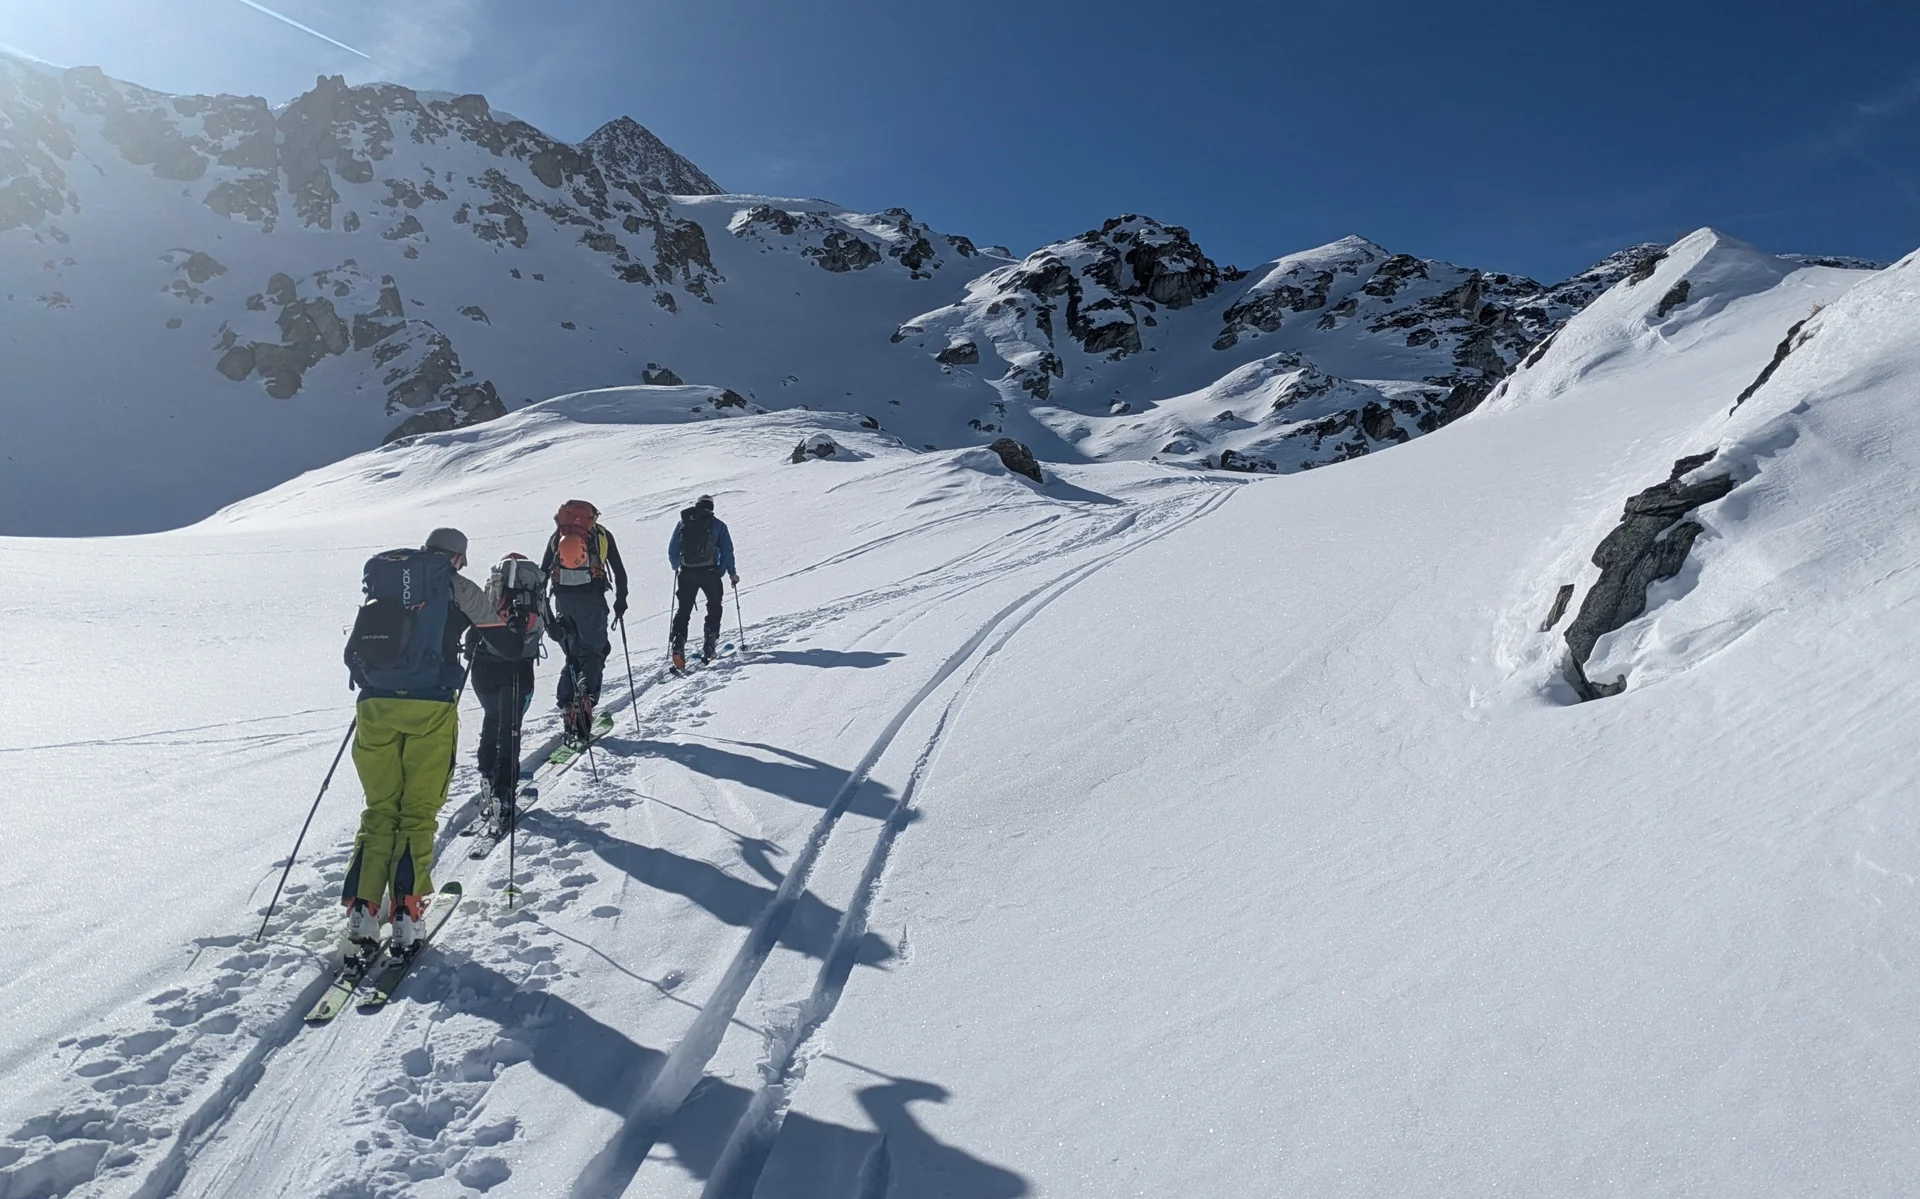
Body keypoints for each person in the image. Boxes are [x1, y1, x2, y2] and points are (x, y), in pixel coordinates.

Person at [340, 527, 500, 951]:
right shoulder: (457, 587)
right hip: (430, 707)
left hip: (374, 706)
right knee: (417, 812)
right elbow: (499, 632)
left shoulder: (389, 583)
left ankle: (362, 911)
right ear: (457, 558)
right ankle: (407, 912)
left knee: (379, 810)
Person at [466, 552, 545, 833]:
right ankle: (503, 792)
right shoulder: (531, 599)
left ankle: (487, 775)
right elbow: (547, 629)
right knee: (511, 729)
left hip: (483, 669)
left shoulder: (490, 595)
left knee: (492, 717)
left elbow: (471, 630)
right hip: (517, 669)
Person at [540, 500, 629, 747]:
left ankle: (568, 705)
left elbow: (541, 576)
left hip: (563, 602)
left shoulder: (557, 537)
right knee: (595, 652)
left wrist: (549, 621)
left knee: (573, 654)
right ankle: (586, 703)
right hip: (592, 600)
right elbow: (619, 571)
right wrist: (621, 600)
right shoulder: (601, 535)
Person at [667, 494, 738, 671]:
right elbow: (727, 550)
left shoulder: (684, 522)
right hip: (710, 573)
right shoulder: (718, 525)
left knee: (684, 610)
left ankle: (677, 644)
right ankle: (710, 645)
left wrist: (676, 566)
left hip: (687, 573)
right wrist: (732, 573)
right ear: (711, 507)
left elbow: (672, 549)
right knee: (714, 606)